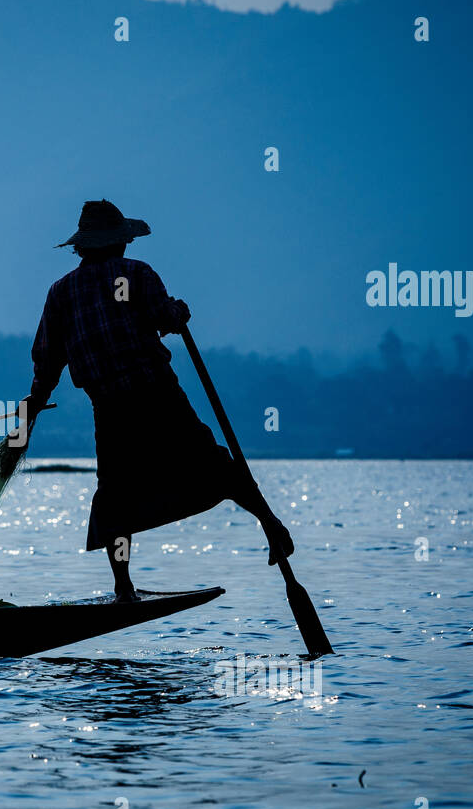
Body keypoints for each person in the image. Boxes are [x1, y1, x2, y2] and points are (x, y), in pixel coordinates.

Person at [23, 199, 294, 601]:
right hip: (156, 395)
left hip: (111, 406)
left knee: (114, 495)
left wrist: (35, 401)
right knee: (213, 462)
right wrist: (179, 312)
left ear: (82, 247)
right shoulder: (136, 274)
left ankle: (123, 585)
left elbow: (48, 360)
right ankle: (272, 525)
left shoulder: (61, 292)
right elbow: (165, 319)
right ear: (120, 243)